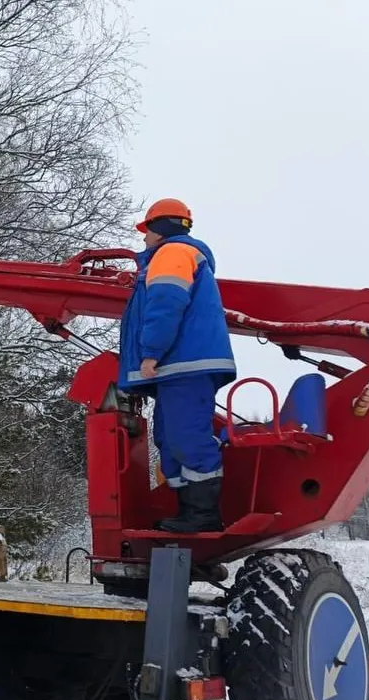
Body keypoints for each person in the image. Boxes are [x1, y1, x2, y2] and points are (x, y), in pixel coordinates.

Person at [118, 198, 236, 533]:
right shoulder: (179, 255)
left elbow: (166, 303)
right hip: (180, 367)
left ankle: (203, 515)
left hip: (186, 364)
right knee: (169, 438)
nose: (143, 239)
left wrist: (151, 353)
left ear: (160, 228)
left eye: (146, 231)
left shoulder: (172, 254)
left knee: (185, 436)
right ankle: (188, 512)